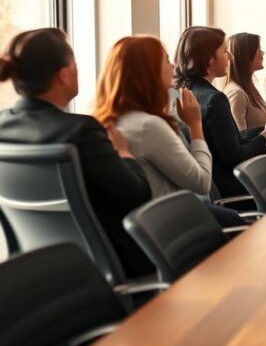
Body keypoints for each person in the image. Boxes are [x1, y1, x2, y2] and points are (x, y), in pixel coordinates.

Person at [0, 28, 153, 276]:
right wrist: (124, 153)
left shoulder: (2, 126)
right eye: (75, 63)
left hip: (42, 269)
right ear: (63, 75)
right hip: (116, 266)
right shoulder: (81, 131)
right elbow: (138, 195)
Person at [174, 26, 266, 197]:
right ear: (209, 59)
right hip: (233, 188)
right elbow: (235, 157)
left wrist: (265, 131)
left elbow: (227, 141)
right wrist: (265, 136)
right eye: (224, 51)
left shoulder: (181, 92)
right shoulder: (215, 100)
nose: (229, 57)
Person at [93, 36, 212, 199]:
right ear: (149, 71)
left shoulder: (109, 122)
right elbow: (202, 183)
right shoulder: (148, 126)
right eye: (166, 60)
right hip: (179, 219)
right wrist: (195, 124)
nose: (173, 66)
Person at [223, 32, 266, 130]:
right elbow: (241, 138)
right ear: (246, 55)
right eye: (258, 50)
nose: (262, 53)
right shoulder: (236, 93)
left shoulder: (249, 87)